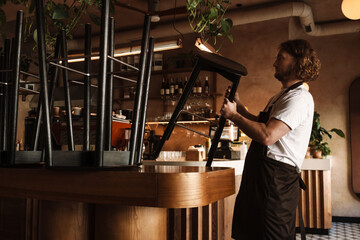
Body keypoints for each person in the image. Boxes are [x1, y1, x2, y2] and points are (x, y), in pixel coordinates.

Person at [220, 39, 321, 239]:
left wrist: (233, 116)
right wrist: (239, 107)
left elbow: (267, 136)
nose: (275, 63)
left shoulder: (299, 98)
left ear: (297, 62)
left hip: (276, 182)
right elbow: (261, 123)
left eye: (280, 58)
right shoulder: (281, 96)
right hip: (260, 176)